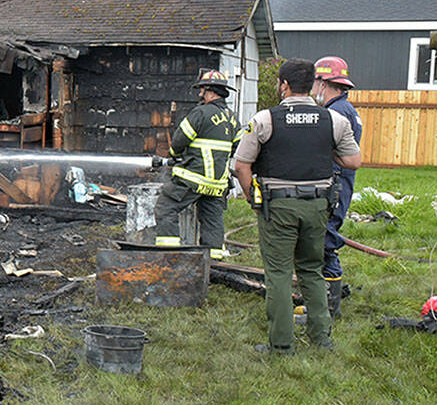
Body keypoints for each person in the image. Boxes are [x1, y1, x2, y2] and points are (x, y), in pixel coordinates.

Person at [233, 58, 362, 353]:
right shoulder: (334, 120)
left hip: (278, 207)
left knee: (278, 273)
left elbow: (242, 166)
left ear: (285, 85)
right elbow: (354, 160)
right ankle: (322, 339)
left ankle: (281, 344)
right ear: (312, 85)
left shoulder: (265, 120)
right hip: (318, 205)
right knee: (312, 270)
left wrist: (252, 197)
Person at [154, 69, 242, 259]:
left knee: (166, 207)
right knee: (212, 220)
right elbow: (237, 147)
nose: (200, 94)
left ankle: (169, 256)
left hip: (193, 178)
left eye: (202, 90)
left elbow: (179, 140)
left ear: (210, 91)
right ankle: (213, 264)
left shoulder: (200, 113)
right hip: (218, 183)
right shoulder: (234, 119)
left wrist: (174, 156)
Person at [312, 56, 363, 318]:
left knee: (325, 241)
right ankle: (326, 302)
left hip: (334, 184)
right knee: (325, 239)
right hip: (340, 183)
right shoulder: (347, 109)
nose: (312, 88)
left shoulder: (334, 113)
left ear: (324, 83)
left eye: (315, 82)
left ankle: (329, 308)